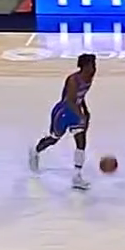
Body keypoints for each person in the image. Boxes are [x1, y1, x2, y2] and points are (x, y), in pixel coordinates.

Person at [28, 53, 96, 190]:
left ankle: (77, 176)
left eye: (94, 65)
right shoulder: (73, 80)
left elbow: (80, 97)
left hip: (76, 111)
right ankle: (35, 151)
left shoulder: (89, 78)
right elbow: (70, 101)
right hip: (63, 112)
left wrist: (85, 110)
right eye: (91, 65)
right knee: (54, 139)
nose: (94, 68)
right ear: (84, 66)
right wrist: (81, 116)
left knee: (81, 142)